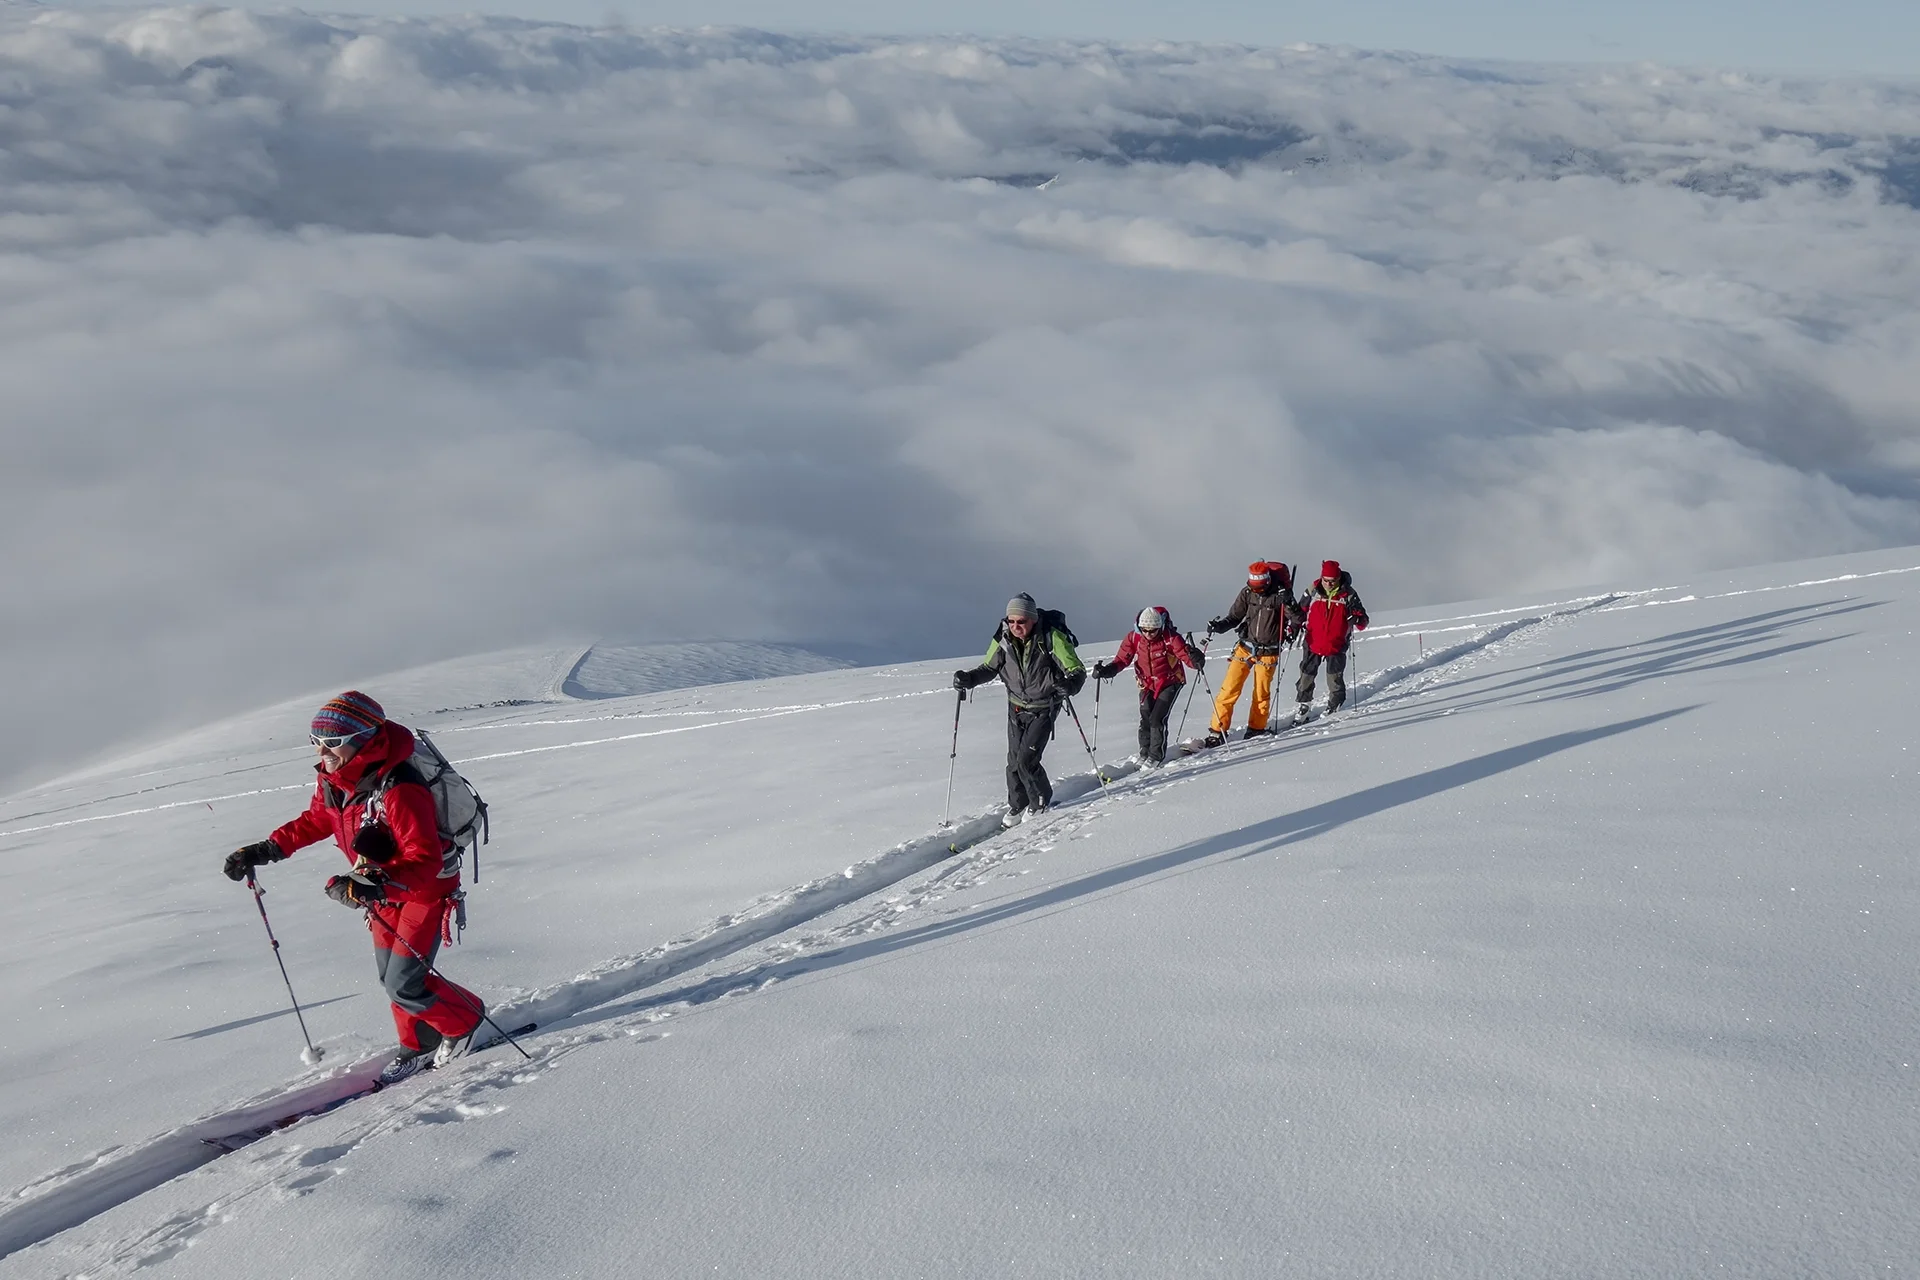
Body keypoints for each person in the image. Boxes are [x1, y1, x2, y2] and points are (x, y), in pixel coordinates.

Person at [223, 691, 486, 1073]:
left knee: (404, 982)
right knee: (390, 978)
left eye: (332, 743)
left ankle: (465, 1022)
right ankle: (420, 1042)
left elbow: (425, 860)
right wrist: (266, 849)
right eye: (315, 742)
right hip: (377, 889)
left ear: (363, 738)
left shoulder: (400, 786)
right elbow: (318, 819)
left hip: (423, 891)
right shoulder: (337, 780)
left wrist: (376, 884)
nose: (321, 752)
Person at [953, 593, 1088, 826]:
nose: (1016, 626)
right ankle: (1018, 805)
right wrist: (970, 678)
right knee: (1014, 760)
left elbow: (1076, 669)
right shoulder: (1003, 637)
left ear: (1033, 619)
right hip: (1015, 706)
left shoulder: (1051, 637)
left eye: (1021, 621)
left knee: (1027, 759)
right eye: (1011, 621)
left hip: (1045, 706)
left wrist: (1071, 684)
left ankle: (1040, 803)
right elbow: (989, 667)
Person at [1202, 561, 1302, 746]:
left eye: (1259, 588)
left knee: (1261, 692)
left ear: (1266, 581)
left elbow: (1298, 619)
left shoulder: (1281, 595)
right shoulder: (1247, 592)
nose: (1256, 591)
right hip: (1245, 647)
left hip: (1269, 651)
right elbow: (1234, 617)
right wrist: (1219, 627)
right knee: (1229, 689)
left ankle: (1256, 728)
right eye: (1253, 587)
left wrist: (1289, 602)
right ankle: (1217, 731)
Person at [1092, 606, 1204, 766]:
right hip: (1146, 683)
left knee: (1157, 719)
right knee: (1145, 718)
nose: (1149, 634)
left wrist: (1196, 659)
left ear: (1161, 627)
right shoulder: (1134, 638)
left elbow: (1187, 658)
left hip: (1170, 681)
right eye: (1144, 630)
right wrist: (1106, 671)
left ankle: (1156, 757)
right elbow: (1122, 660)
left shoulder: (1171, 638)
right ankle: (1144, 754)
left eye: (1153, 630)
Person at [1294, 560, 1370, 723]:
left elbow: (1363, 621)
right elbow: (1300, 611)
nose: (1328, 583)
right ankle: (1304, 705)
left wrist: (1356, 618)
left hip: (1337, 643)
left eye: (1332, 580)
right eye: (1325, 580)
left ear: (1338, 579)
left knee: (1334, 678)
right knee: (1306, 675)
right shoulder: (1313, 590)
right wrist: (1294, 625)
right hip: (1313, 641)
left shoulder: (1349, 594)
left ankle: (1335, 705)